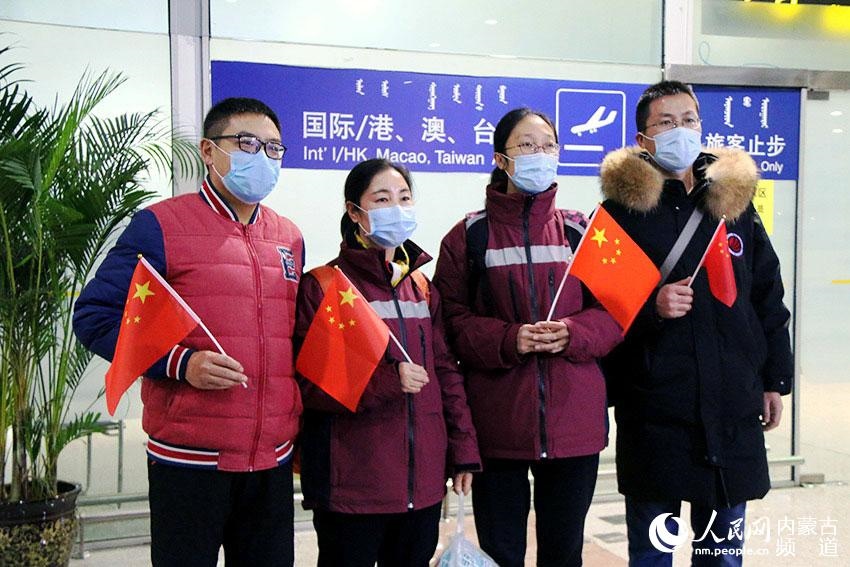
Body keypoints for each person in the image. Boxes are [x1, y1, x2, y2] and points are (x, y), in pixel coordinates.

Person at [73, 97, 303, 566]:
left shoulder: (288, 237)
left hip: (270, 458)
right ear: (208, 150)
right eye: (247, 143)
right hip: (189, 459)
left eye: (273, 148)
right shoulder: (161, 225)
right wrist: (182, 363)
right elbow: (95, 315)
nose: (262, 157)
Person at [598, 80, 794, 566]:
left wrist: (775, 380)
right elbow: (600, 311)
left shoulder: (733, 203)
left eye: (688, 120)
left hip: (730, 405)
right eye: (666, 122)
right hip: (656, 411)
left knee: (721, 552)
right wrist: (652, 308)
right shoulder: (618, 215)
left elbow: (767, 296)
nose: (680, 130)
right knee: (653, 552)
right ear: (643, 139)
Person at [433, 107, 623, 567]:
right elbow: (450, 322)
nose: (540, 154)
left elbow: (618, 311)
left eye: (548, 145)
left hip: (574, 425)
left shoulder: (585, 230)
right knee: (501, 553)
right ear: (501, 159)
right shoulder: (467, 236)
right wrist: (509, 339)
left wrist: (573, 333)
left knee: (564, 552)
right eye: (527, 145)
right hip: (498, 425)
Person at [294, 158, 481, 567]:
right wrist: (387, 380)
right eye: (381, 199)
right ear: (353, 211)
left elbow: (445, 372)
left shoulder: (422, 287)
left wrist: (463, 450)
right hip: (352, 489)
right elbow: (311, 387)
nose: (396, 208)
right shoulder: (324, 287)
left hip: (422, 485)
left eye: (404, 198)